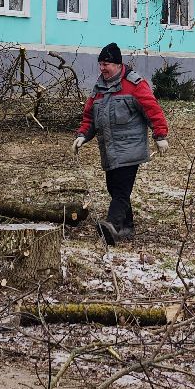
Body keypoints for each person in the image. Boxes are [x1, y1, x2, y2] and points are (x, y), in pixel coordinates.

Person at [73, 43, 169, 246]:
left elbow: (152, 110)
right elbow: (90, 116)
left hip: (130, 149)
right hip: (109, 150)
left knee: (121, 191)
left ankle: (113, 226)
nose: (102, 68)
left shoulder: (135, 85)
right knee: (114, 188)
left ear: (118, 65)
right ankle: (127, 226)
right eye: (100, 64)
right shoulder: (99, 87)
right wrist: (83, 135)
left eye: (106, 64)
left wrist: (160, 135)